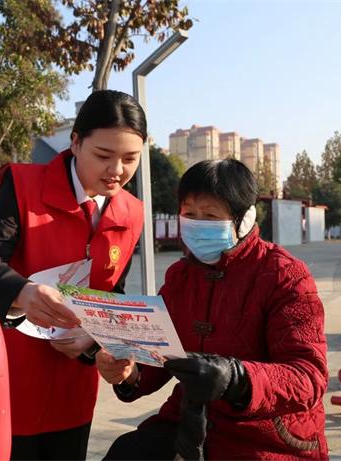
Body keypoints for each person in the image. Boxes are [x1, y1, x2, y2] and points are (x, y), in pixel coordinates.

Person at [0, 90, 147, 460]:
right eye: (103, 155)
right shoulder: (24, 186)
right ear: (75, 142)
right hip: (6, 374)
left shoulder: (131, 212)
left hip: (72, 384)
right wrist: (23, 292)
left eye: (129, 159)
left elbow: (114, 293)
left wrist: (93, 338)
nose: (116, 170)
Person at [96, 159, 328, 460]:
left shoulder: (285, 275)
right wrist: (129, 371)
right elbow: (160, 353)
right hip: (190, 421)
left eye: (210, 215)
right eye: (189, 214)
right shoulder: (180, 276)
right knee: (127, 452)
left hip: (266, 434)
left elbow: (308, 376)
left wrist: (237, 378)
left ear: (244, 219)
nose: (197, 224)